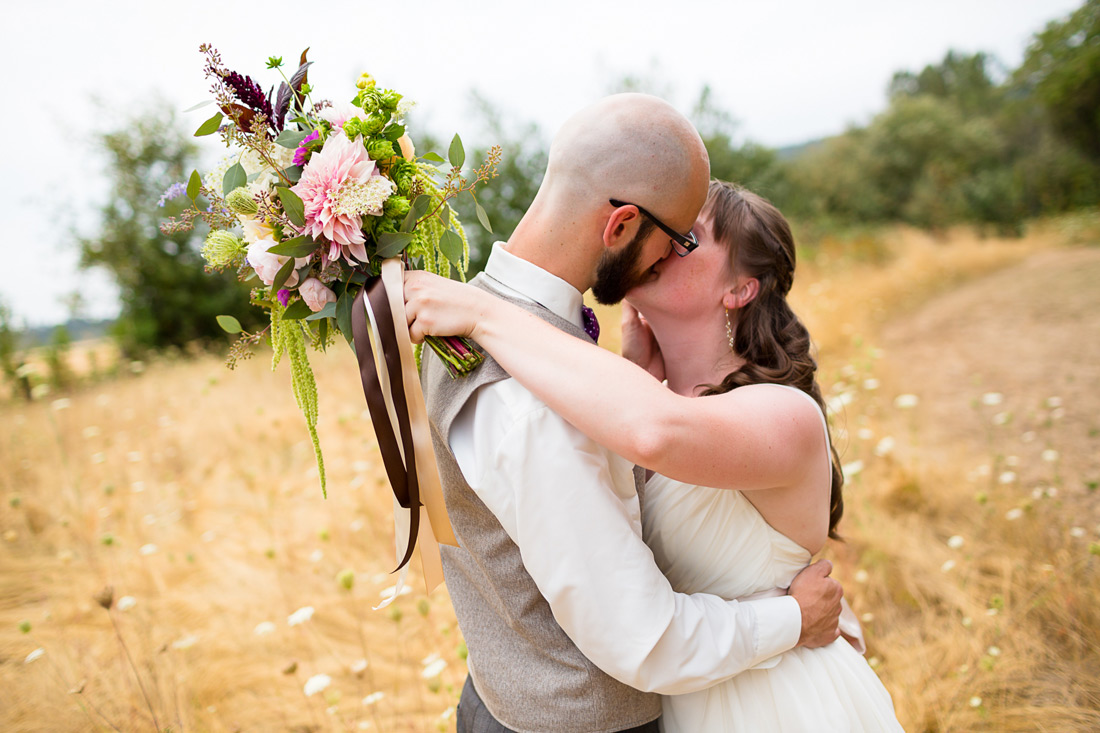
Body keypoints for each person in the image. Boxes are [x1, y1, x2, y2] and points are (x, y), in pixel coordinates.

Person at [411, 93, 848, 733]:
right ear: (620, 227)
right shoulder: (537, 385)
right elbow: (640, 634)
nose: (671, 252)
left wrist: (488, 314)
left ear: (740, 289)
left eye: (690, 241)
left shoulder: (487, 320)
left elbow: (656, 436)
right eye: (675, 236)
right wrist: (791, 618)